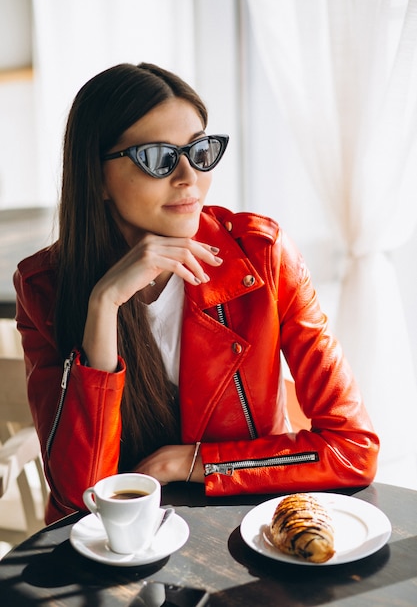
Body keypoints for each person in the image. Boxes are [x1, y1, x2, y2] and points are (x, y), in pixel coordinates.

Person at [14, 62, 379, 524]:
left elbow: (353, 449)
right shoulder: (44, 287)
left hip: (248, 532)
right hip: (120, 551)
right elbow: (80, 496)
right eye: (158, 157)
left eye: (199, 151)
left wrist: (192, 462)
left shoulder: (261, 256)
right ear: (97, 177)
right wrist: (102, 307)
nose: (190, 178)